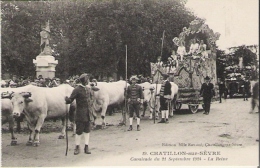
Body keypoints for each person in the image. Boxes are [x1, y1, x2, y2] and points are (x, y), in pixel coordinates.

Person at [65, 73, 94, 155]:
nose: (88, 81)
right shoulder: (77, 89)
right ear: (84, 80)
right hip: (80, 113)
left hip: (88, 113)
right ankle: (77, 147)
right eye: (87, 79)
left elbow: (91, 99)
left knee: (87, 130)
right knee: (79, 131)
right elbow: (70, 100)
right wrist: (67, 100)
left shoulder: (88, 89)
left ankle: (86, 147)